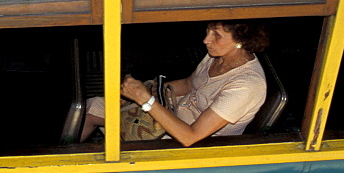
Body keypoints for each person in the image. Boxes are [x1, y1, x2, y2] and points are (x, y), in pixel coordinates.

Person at [81, 21, 269, 147]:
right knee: (93, 107)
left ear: (241, 41)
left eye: (217, 35)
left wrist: (146, 101)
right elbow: (188, 84)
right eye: (208, 31)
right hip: (173, 110)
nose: (206, 40)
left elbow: (191, 136)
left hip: (191, 142)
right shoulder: (218, 56)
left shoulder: (245, 86)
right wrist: (140, 93)